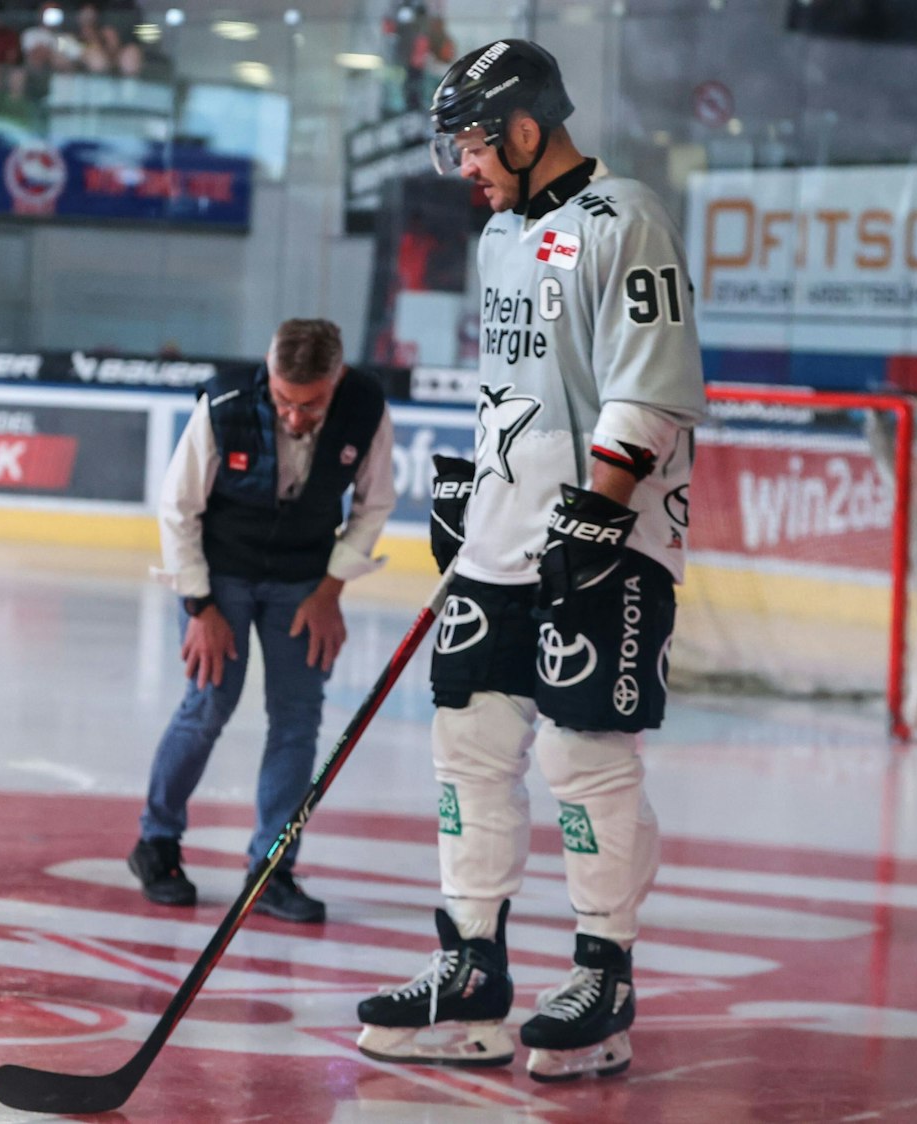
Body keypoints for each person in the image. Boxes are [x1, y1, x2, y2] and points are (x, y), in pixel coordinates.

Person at [354, 40, 704, 1083]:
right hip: (507, 541)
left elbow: (653, 382)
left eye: (472, 141)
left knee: (583, 755)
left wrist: (599, 509)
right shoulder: (505, 234)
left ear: (523, 128)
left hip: (611, 535)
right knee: (468, 735)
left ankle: (605, 975)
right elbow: (516, 386)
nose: (462, 162)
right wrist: (474, 492)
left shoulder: (627, 217)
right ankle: (472, 968)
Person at [128, 318, 398, 925]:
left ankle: (272, 868)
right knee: (207, 705)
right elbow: (177, 511)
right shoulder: (223, 404)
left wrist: (330, 591)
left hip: (304, 581)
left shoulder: (364, 408)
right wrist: (200, 608)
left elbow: (374, 503)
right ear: (267, 378)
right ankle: (157, 843)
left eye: (312, 404)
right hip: (220, 574)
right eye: (283, 401)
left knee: (298, 721)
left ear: (338, 379)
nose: (296, 417)